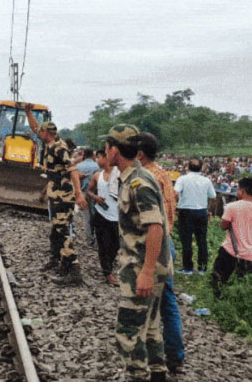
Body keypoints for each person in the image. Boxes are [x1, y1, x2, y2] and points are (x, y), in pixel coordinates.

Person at [104, 124, 172, 382]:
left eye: (107, 146)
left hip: (143, 266)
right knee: (150, 327)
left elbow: (154, 226)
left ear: (114, 150)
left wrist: (145, 272)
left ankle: (136, 375)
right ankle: (156, 374)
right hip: (147, 264)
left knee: (128, 330)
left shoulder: (138, 181)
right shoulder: (133, 177)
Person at [137, 132, 185, 373]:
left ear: (140, 154)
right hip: (168, 243)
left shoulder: (148, 178)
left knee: (156, 304)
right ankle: (174, 354)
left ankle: (160, 357)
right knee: (167, 302)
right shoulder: (163, 174)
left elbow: (154, 222)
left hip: (157, 245)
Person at [25, 104, 87, 285]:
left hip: (64, 196)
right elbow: (35, 127)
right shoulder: (51, 143)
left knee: (62, 232)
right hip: (57, 193)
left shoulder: (59, 148)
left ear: (47, 133)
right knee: (56, 232)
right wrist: (28, 112)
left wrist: (79, 194)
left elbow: (73, 169)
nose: (38, 133)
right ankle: (61, 263)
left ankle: (74, 270)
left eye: (41, 131)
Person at [211, 177, 252, 298]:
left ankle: (216, 300)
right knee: (242, 285)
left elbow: (224, 226)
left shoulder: (232, 206)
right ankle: (236, 303)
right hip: (249, 253)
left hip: (230, 250)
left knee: (218, 278)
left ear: (242, 191)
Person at [174, 158, 216, 275]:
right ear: (201, 168)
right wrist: (209, 210)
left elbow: (176, 193)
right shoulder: (206, 180)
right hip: (201, 211)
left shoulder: (182, 179)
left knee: (186, 240)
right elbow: (213, 196)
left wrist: (175, 206)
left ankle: (188, 267)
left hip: (186, 211)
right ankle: (202, 268)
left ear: (188, 166)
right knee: (202, 240)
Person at [87, 148, 121, 286]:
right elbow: (88, 191)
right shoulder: (97, 176)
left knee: (115, 246)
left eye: (98, 158)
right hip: (101, 215)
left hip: (117, 217)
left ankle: (109, 268)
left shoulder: (119, 175)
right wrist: (95, 197)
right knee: (103, 246)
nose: (97, 161)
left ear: (105, 158)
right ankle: (108, 273)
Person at [76, 147, 100, 250]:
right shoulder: (98, 165)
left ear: (84, 155)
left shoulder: (78, 166)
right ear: (93, 155)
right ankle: (98, 238)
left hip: (83, 194)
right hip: (95, 193)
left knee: (86, 218)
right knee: (97, 215)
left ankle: (89, 240)